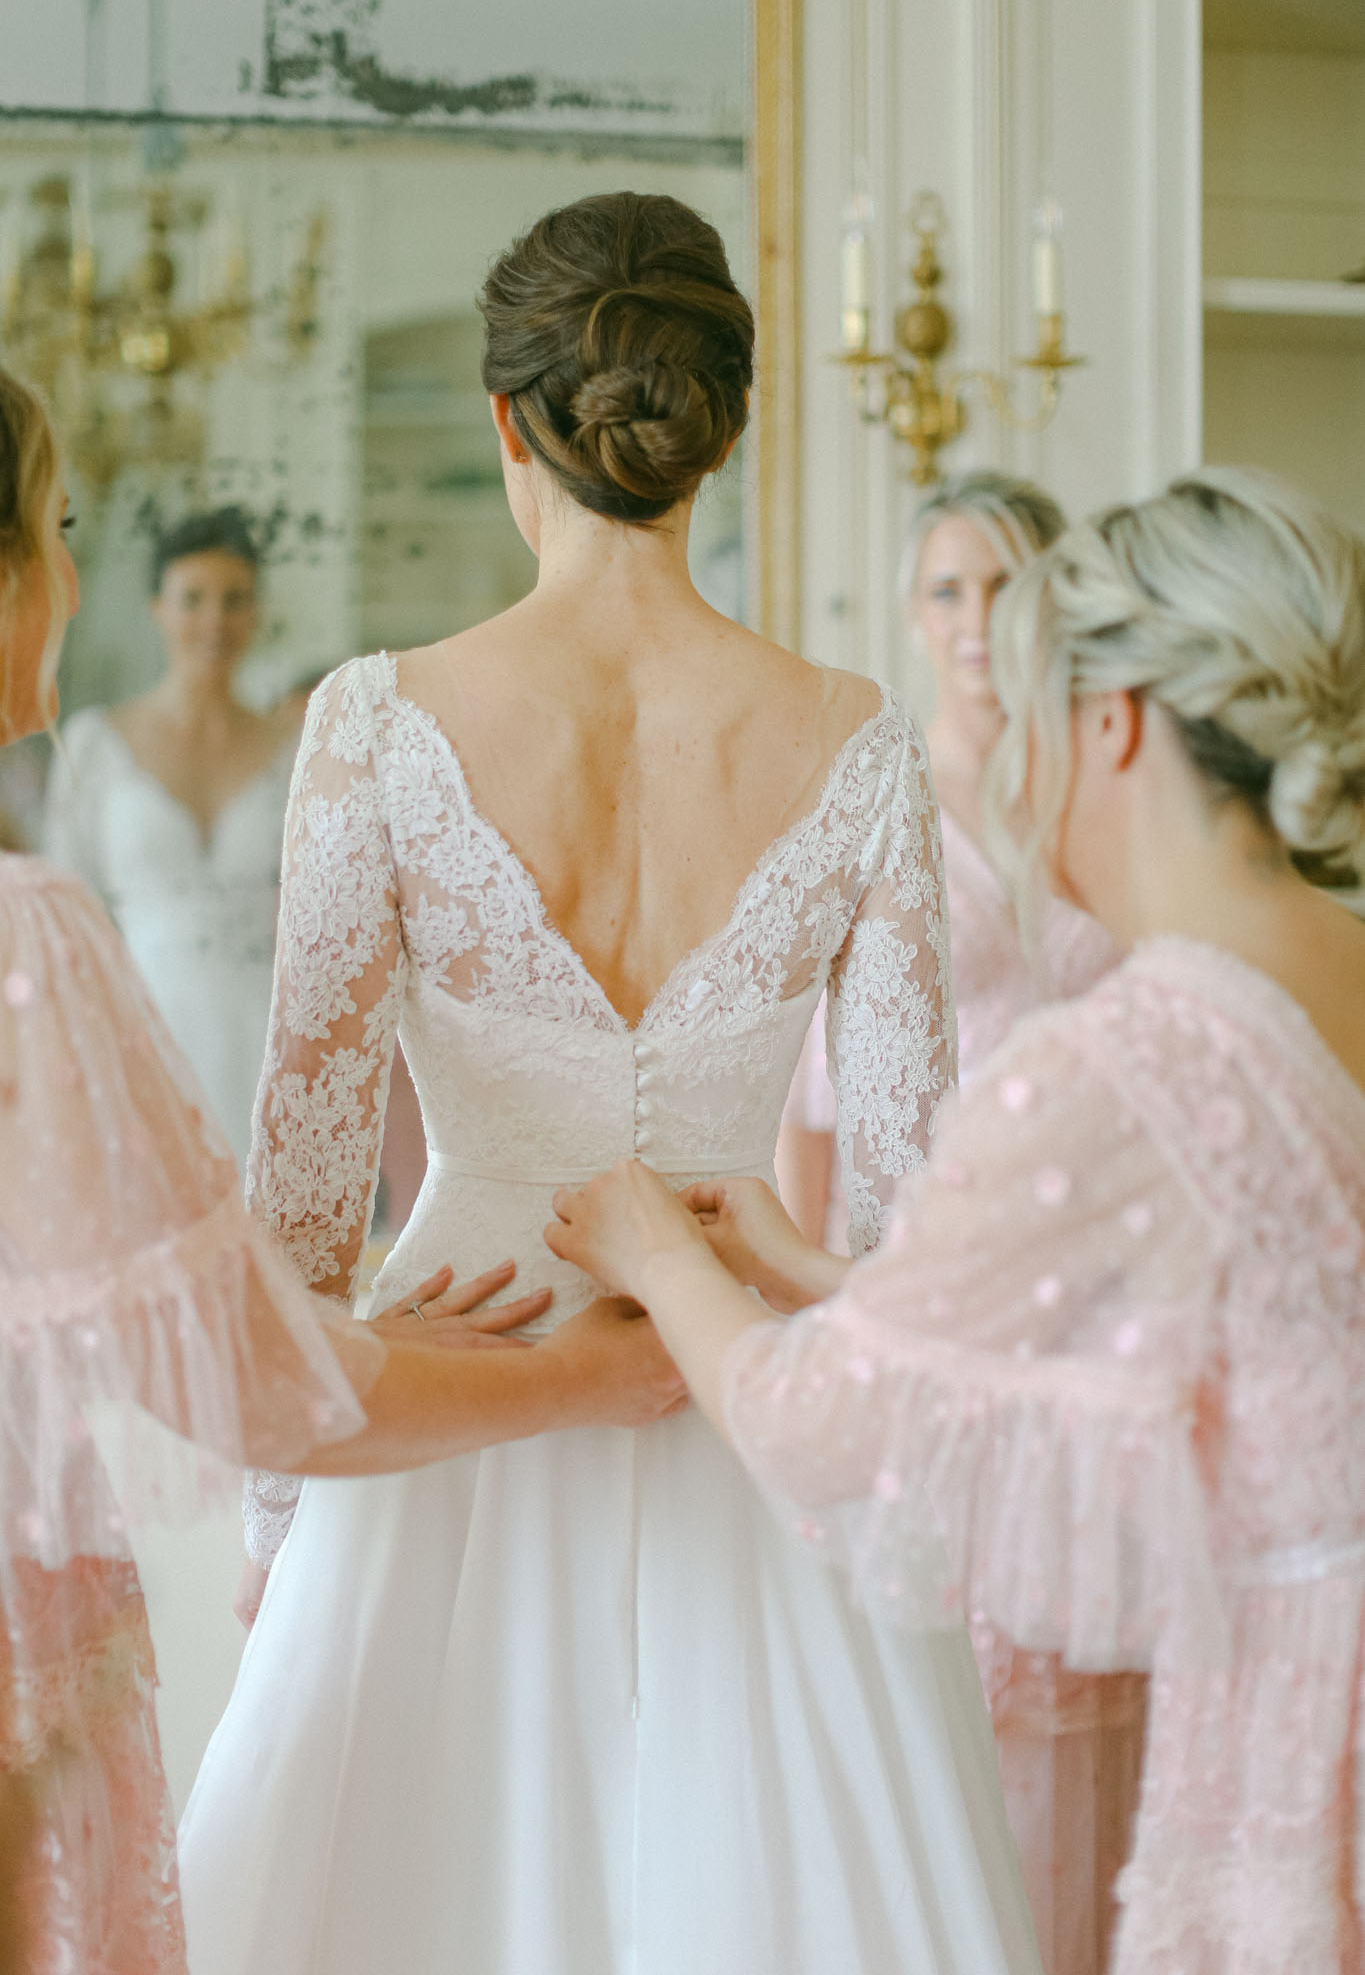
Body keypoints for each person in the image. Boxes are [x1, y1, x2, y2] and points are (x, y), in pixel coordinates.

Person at [177, 192, 1041, 1975]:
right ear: (718, 428)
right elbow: (906, 1201)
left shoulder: (376, 721)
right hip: (746, 1403)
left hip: (457, 1380)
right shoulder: (859, 736)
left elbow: (307, 1181)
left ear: (509, 421)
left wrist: (283, 1525)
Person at [549, 466, 1365, 1975]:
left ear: (1109, 724)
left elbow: (813, 1434)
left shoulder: (1132, 1057)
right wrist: (812, 1264)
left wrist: (651, 1249)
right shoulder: (1328, 975)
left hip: (1291, 1758)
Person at [0, 362, 685, 1974]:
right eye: (57, 525)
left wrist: (348, 1333)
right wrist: (572, 1378)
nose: (78, 577)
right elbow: (246, 1386)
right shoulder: (27, 938)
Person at [778, 472, 1117, 1253]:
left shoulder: (1114, 791)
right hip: (927, 1239)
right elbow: (809, 1095)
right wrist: (797, 1297)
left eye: (1006, 587)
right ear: (912, 615)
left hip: (1093, 1226)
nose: (979, 620)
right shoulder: (871, 800)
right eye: (946, 591)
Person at [43, 507, 293, 1171]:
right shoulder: (97, 743)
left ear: (256, 611)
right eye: (194, 599)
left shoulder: (292, 749)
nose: (215, 620)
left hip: (268, 1034)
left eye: (235, 599)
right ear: (158, 607)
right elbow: (66, 912)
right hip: (140, 1023)